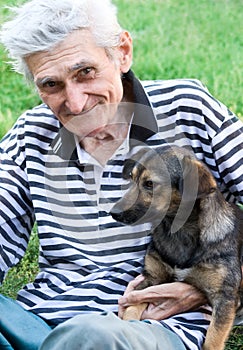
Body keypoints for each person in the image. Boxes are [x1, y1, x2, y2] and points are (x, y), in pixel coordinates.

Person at [0, 0, 242, 349]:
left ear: (122, 52)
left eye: (85, 72)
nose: (76, 102)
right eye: (52, 85)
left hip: (140, 327)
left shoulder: (189, 110)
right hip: (37, 321)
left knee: (92, 336)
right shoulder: (30, 135)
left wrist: (206, 287)